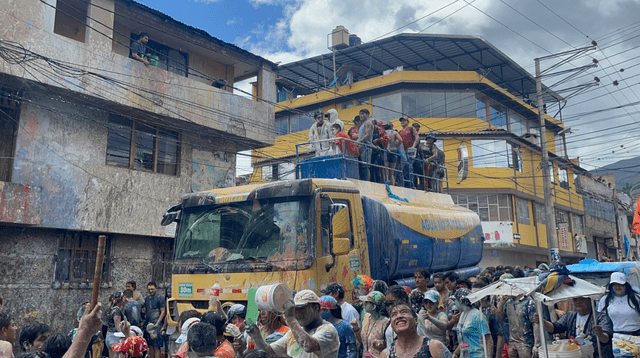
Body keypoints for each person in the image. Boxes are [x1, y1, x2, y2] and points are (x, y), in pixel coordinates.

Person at [239, 289, 340, 358]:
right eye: (294, 309)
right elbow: (269, 352)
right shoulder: (293, 333)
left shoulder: (327, 330)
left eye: (301, 309)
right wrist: (257, 337)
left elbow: (308, 345)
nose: (297, 313)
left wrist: (290, 319)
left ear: (315, 308)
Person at [537, 296, 613, 358]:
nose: (578, 302)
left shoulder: (601, 318)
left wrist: (600, 334)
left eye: (582, 299)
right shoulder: (570, 315)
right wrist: (542, 321)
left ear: (590, 300)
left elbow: (606, 338)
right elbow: (556, 327)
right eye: (575, 299)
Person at [380, 302, 451, 358]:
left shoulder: (434, 347)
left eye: (404, 312)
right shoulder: (386, 354)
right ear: (391, 325)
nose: (399, 316)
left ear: (416, 319)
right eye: (394, 314)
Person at [452, 288, 492, 358]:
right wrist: (456, 352)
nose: (455, 303)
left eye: (455, 300)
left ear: (461, 301)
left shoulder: (478, 316)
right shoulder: (462, 314)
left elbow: (488, 340)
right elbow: (465, 339)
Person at [355, 291, 388, 358]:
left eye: (367, 302)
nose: (364, 304)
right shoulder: (366, 317)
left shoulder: (385, 322)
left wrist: (381, 344)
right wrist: (356, 328)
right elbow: (362, 340)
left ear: (375, 305)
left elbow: (389, 344)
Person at [144, 282, 166, 358]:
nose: (150, 291)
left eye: (152, 289)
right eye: (149, 289)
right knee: (150, 346)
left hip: (157, 324)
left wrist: (157, 323)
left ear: (156, 288)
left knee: (156, 346)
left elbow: (163, 312)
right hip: (149, 324)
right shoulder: (147, 299)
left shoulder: (160, 298)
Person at [104, 292, 126, 358]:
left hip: (109, 336)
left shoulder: (111, 309)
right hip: (114, 338)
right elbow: (117, 326)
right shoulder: (116, 310)